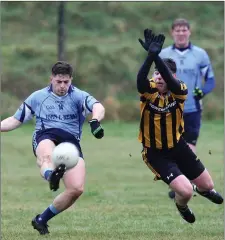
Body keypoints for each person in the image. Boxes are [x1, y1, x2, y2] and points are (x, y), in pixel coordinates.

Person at [1, 61, 105, 235]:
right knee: (46, 156)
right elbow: (14, 120)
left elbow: (98, 106)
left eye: (66, 82)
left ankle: (42, 219)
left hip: (70, 142)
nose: (62, 86)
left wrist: (95, 120)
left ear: (71, 80)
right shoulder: (38, 97)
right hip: (45, 134)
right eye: (58, 81)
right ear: (51, 79)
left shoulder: (79, 96)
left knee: (76, 189)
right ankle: (51, 176)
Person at [137, 30, 223, 223]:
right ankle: (181, 205)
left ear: (172, 76)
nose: (158, 77)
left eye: (162, 74)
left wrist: (156, 56)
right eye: (156, 74)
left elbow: (173, 83)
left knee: (207, 184)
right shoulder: (149, 90)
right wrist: (150, 57)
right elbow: (140, 81)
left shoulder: (180, 90)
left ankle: (205, 191)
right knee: (185, 191)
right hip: (155, 152)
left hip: (178, 146)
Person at [158, 18, 216, 199]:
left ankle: (186, 183)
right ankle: (180, 182)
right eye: (178, 30)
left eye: (184, 30)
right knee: (171, 146)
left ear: (189, 32)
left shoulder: (200, 54)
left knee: (189, 146)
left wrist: (202, 91)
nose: (181, 33)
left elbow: (210, 80)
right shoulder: (164, 54)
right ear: (172, 33)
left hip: (191, 108)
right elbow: (157, 79)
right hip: (169, 108)